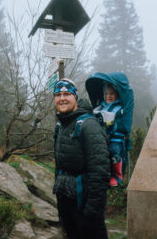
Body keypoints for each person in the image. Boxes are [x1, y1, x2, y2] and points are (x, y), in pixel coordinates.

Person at [52, 78, 110, 239]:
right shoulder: (61, 125)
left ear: (75, 97)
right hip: (67, 200)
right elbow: (59, 166)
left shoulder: (88, 125)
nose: (62, 98)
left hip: (85, 205)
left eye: (67, 94)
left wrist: (92, 209)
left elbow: (100, 171)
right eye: (58, 95)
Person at [93, 84, 124, 186]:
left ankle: (117, 175)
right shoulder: (101, 106)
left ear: (117, 95)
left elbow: (119, 122)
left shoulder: (118, 107)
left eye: (112, 94)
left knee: (114, 152)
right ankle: (103, 174)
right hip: (103, 135)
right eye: (107, 94)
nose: (109, 96)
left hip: (116, 138)